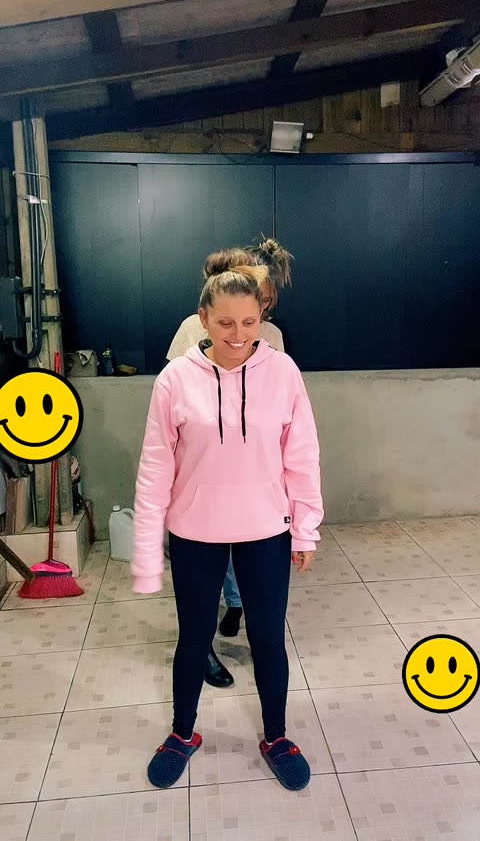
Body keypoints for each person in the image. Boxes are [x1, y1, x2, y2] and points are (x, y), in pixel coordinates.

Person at [132, 251, 323, 791]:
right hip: (195, 532)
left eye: (249, 322)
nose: (238, 335)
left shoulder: (283, 372)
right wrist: (147, 550)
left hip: (267, 529)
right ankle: (182, 733)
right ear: (203, 320)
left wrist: (305, 528)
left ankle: (276, 736)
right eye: (225, 323)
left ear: (261, 318)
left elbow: (302, 455)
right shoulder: (174, 380)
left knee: (268, 639)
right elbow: (155, 468)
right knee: (193, 638)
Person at [166, 238, 293, 689]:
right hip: (203, 483)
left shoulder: (272, 338)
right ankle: (202, 651)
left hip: (256, 484)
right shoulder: (190, 330)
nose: (243, 330)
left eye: (264, 306)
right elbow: (175, 405)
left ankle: (248, 624)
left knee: (249, 573)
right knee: (200, 588)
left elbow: (283, 411)